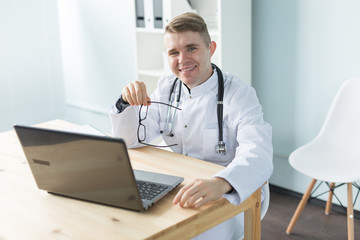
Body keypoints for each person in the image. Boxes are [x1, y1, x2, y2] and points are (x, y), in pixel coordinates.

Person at [108, 12, 273, 240]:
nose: (182, 59)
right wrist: (124, 102)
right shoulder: (167, 87)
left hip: (229, 193)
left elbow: (259, 155)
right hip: (181, 186)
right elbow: (132, 139)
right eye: (174, 52)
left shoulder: (239, 94)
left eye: (191, 48)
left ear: (211, 48)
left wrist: (222, 182)